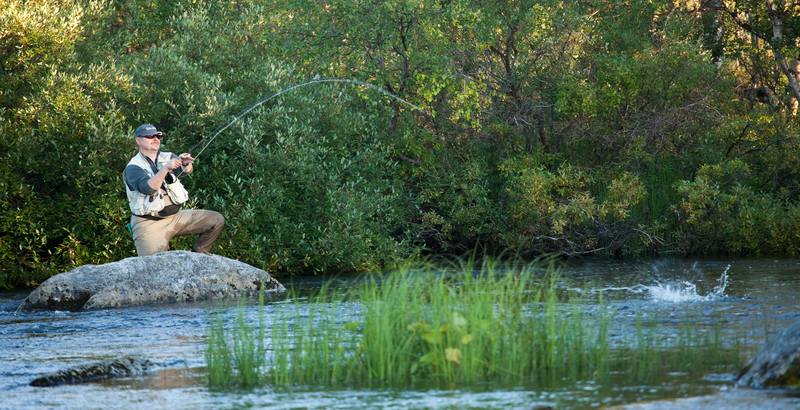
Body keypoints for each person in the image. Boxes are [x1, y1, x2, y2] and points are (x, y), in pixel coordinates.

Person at [123, 124, 225, 256]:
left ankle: (199, 255)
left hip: (175, 217)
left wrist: (185, 164)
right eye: (150, 136)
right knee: (153, 269)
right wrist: (166, 168)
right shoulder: (133, 167)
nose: (155, 139)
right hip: (148, 223)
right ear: (138, 140)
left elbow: (184, 172)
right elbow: (148, 188)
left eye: (157, 136)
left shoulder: (168, 156)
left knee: (216, 219)